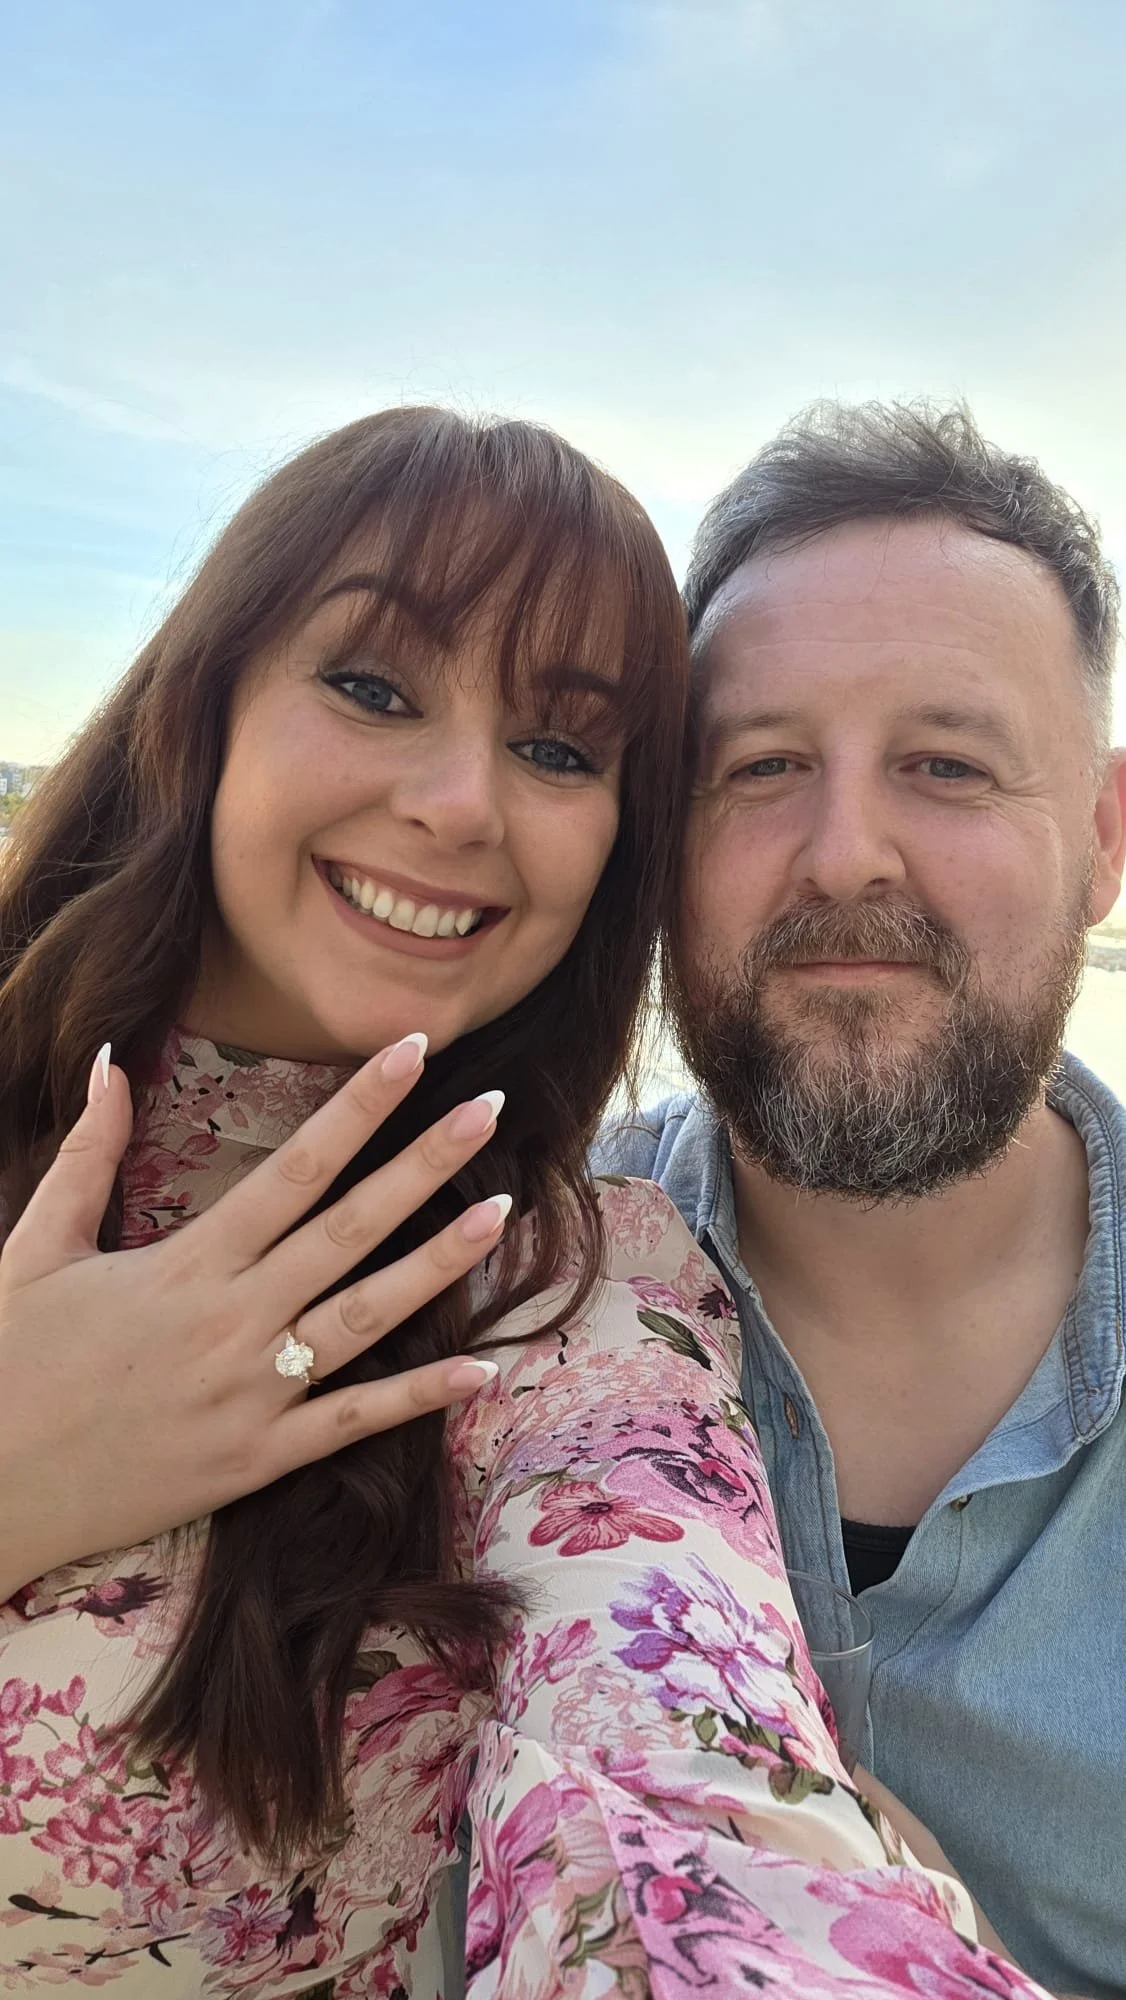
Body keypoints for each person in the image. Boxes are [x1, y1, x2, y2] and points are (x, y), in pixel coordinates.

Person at [0, 406, 1051, 2000]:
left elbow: (677, 1794)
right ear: (203, 700)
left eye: (559, 747)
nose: (459, 804)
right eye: (371, 686)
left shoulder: (569, 1286)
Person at [596, 400, 1126, 1999]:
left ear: (1103, 842)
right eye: (758, 768)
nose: (842, 857)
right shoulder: (488, 1283)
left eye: (944, 766)